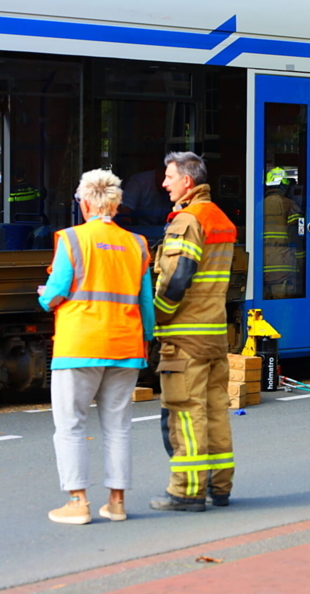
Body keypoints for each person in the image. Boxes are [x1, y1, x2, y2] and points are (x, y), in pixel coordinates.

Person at [39, 169, 155, 525]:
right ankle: (116, 503)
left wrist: (46, 299)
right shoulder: (137, 244)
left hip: (79, 344)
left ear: (85, 203)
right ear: (117, 204)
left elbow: (57, 290)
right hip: (125, 345)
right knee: (118, 426)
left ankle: (77, 503)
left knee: (71, 424)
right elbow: (146, 305)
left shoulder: (72, 240)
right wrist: (145, 339)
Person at [151, 151, 237, 512]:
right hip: (214, 335)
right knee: (216, 411)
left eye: (169, 176)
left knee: (185, 412)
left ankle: (186, 491)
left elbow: (176, 280)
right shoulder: (219, 219)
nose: (164, 183)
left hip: (185, 337)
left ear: (187, 181)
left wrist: (158, 318)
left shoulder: (188, 221)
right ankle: (220, 486)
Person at [263, 167, 302, 299]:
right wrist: (301, 259)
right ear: (284, 185)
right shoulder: (289, 205)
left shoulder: (257, 205)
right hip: (284, 265)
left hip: (263, 264)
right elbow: (297, 234)